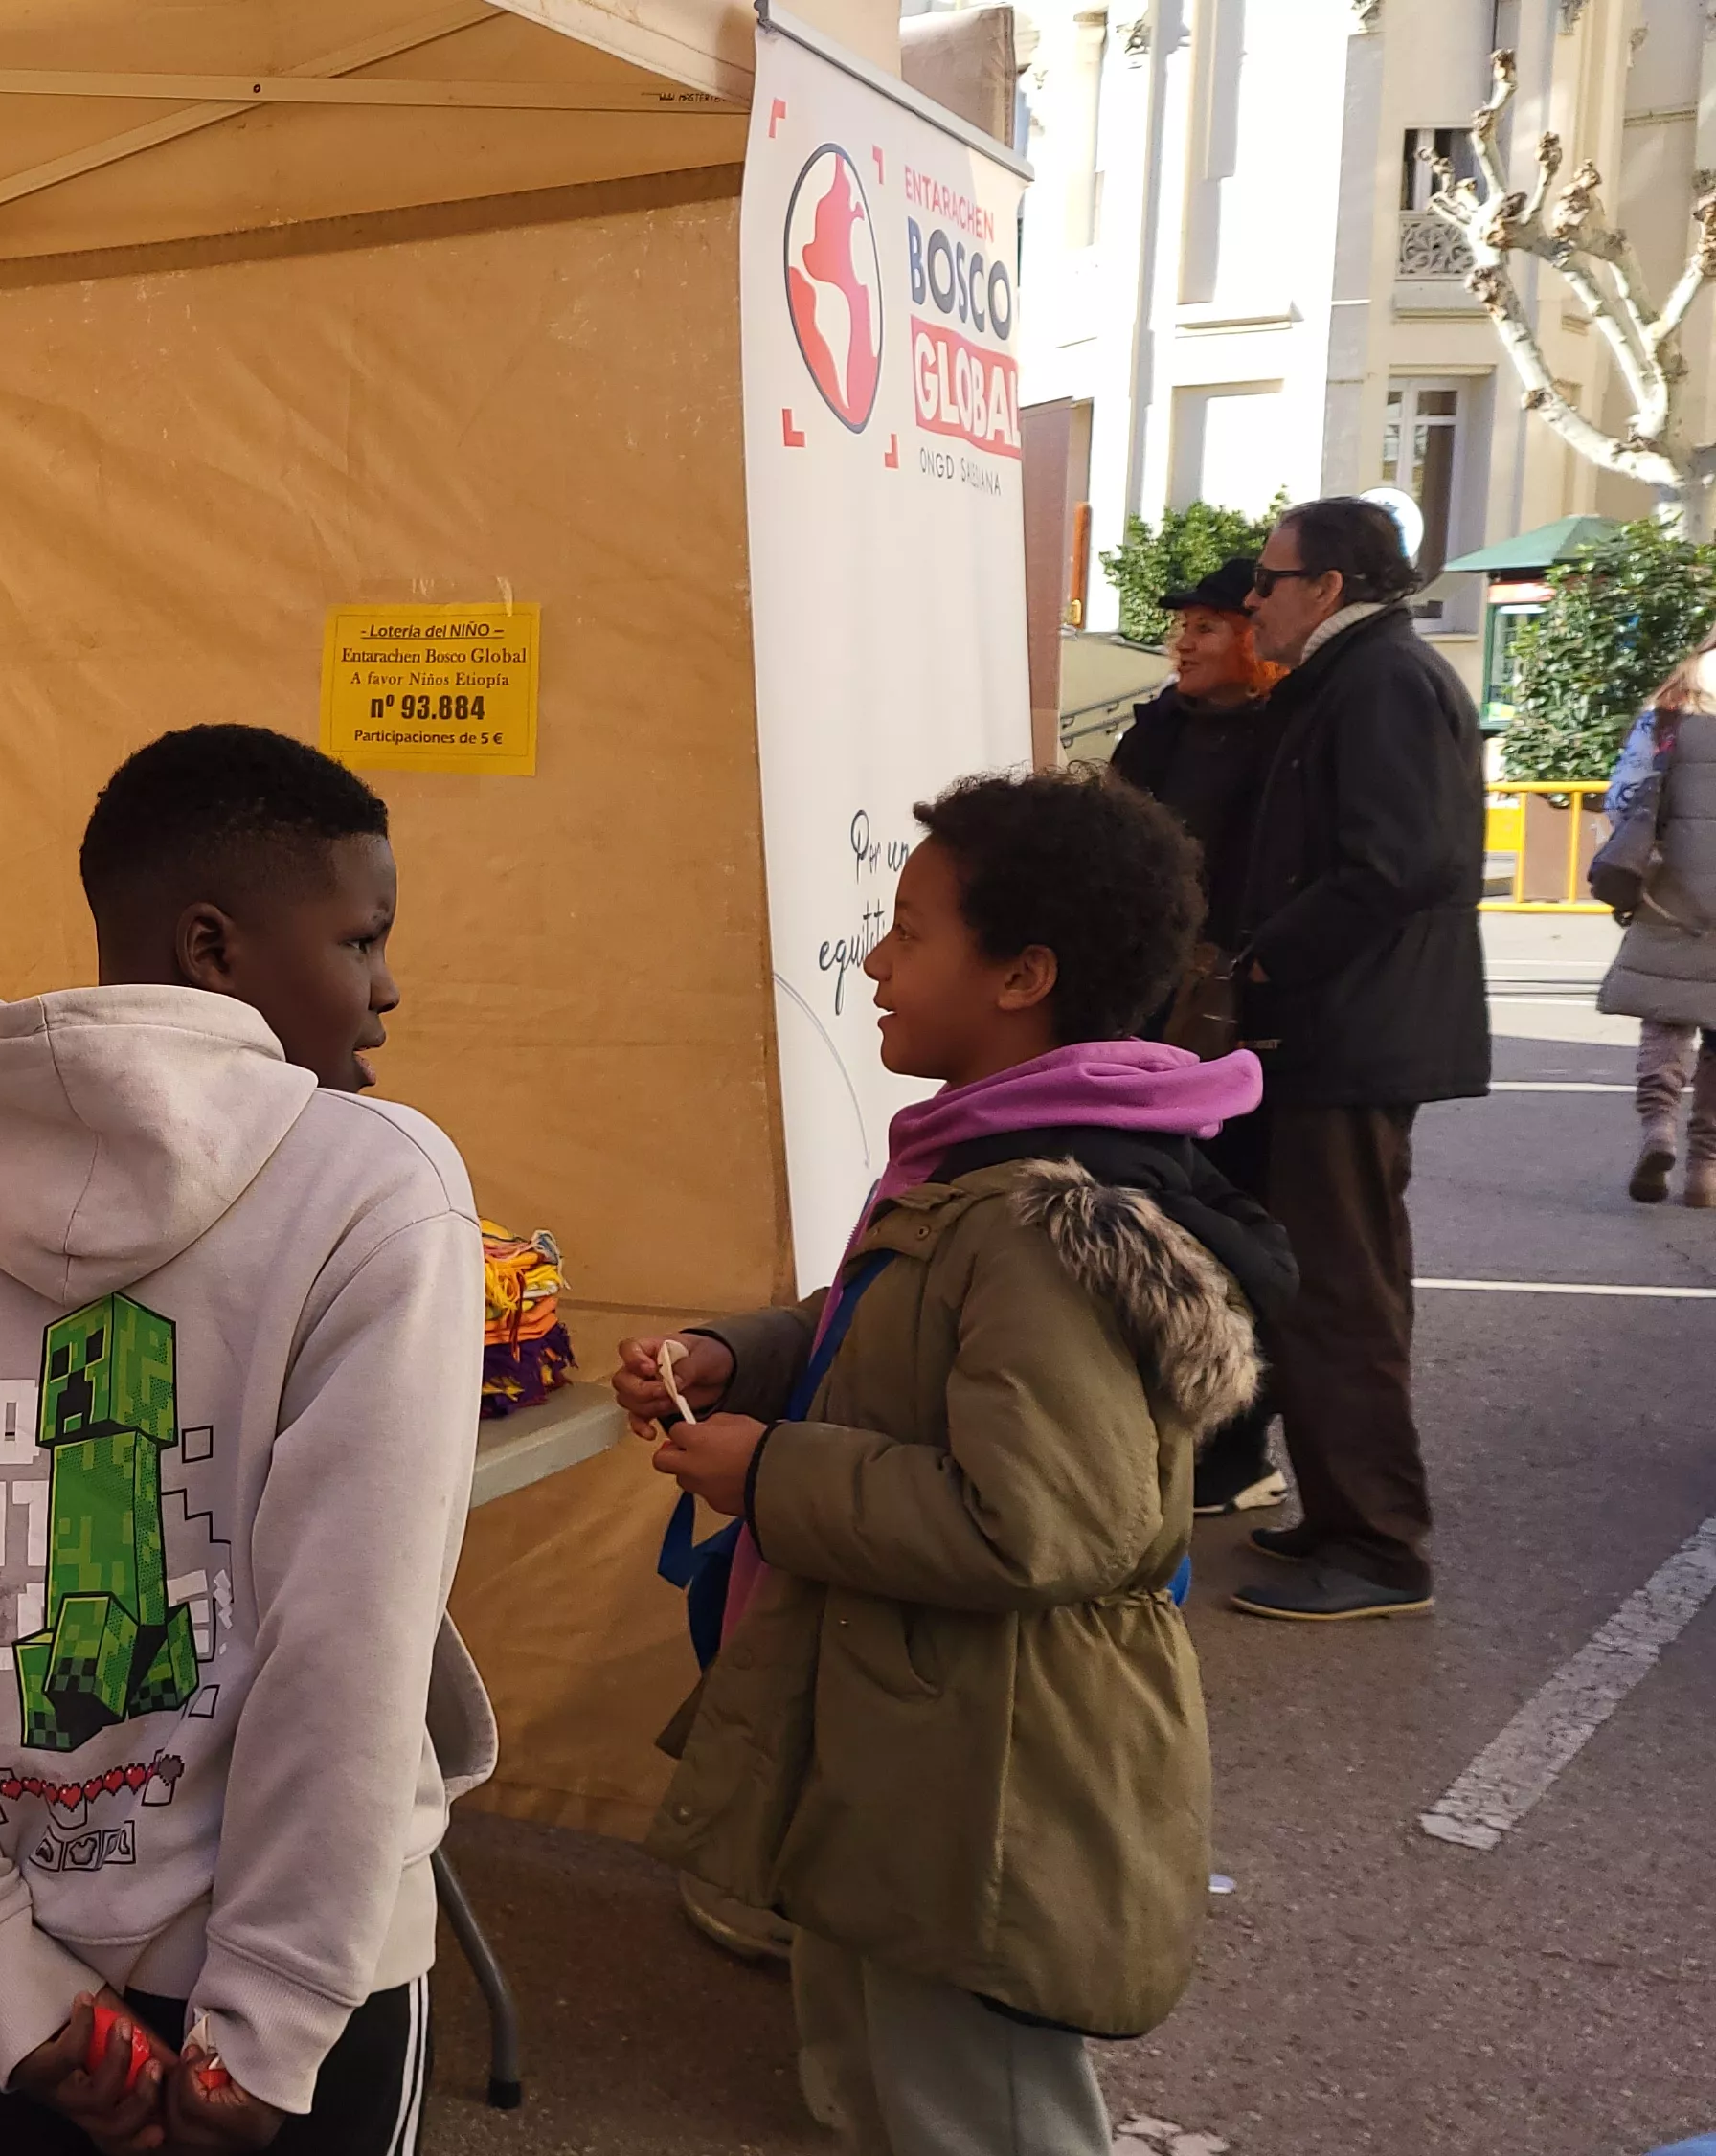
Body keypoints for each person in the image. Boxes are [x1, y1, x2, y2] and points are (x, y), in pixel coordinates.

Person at [0, 725, 496, 2156]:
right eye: (361, 937)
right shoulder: (379, 1187)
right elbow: (348, 1641)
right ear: (216, 947)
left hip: (26, 2005)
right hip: (299, 1998)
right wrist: (274, 2017)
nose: (387, 987)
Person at [620, 772, 1290, 2156]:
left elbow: (1036, 1524)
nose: (873, 959)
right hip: (912, 1750)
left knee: (968, 2113)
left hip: (983, 1787)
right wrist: (737, 1354)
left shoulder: (1045, 1214)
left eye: (911, 930)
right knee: (875, 2088)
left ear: (1023, 975)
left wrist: (770, 1474)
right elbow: (888, 1325)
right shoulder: (986, 1170)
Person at [1217, 496, 1490, 1622]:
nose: (1250, 602)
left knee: (1343, 1291)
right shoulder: (1360, 675)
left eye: (1267, 582)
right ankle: (1340, 1516)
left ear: (1326, 586)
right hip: (1336, 1032)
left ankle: (1379, 1547)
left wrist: (1263, 964)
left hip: (1350, 1033)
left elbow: (1396, 862)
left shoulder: (1381, 680)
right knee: (1317, 1283)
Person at [1106, 555, 1293, 1516]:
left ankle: (1236, 1448)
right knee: (1151, 1216)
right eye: (1182, 624)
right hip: (1148, 1008)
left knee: (1226, 1218)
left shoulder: (1282, 738)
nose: (1182, 639)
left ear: (1256, 643)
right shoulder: (1160, 726)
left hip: (1230, 1020)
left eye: (1207, 626)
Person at [1596, 640, 1716, 1204]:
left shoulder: (1667, 714)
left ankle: (1658, 1129)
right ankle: (1706, 1168)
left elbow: (1624, 800)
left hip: (1673, 887)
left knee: (1664, 1017)